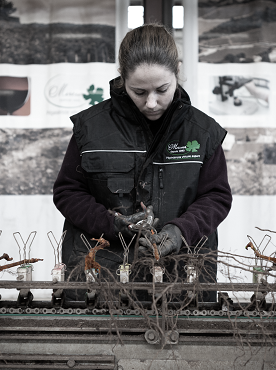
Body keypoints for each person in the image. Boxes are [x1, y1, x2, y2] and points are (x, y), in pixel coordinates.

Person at [52, 23, 232, 302]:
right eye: (139, 92)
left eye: (162, 89)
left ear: (177, 74)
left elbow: (216, 196)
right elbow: (68, 192)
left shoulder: (202, 133)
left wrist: (180, 231)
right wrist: (112, 224)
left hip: (181, 278)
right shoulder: (90, 129)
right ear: (122, 79)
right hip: (101, 279)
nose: (151, 102)